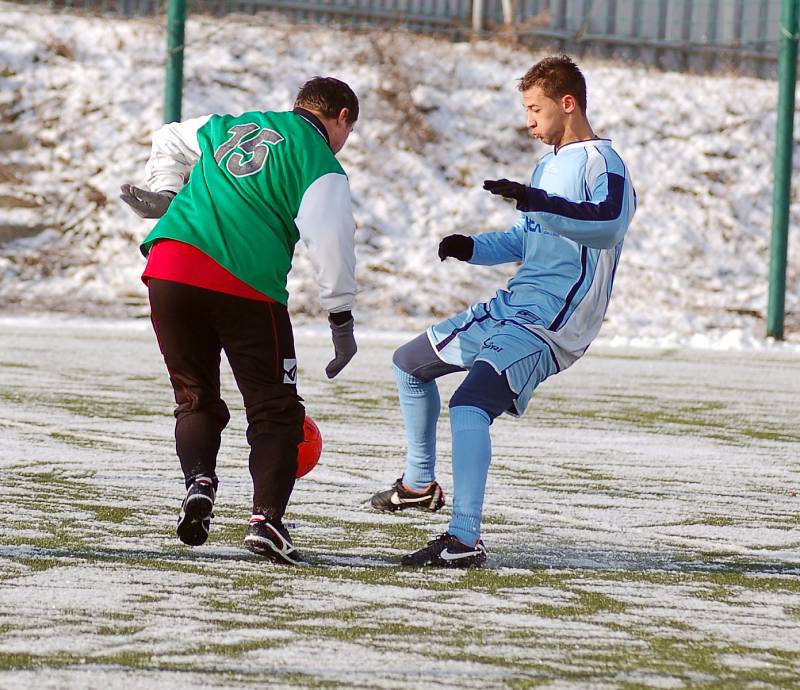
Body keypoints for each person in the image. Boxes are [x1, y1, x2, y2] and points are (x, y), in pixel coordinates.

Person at [370, 55, 636, 568]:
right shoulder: (547, 165)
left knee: (470, 406)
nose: (529, 121)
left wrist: (536, 201)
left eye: (535, 109)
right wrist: (473, 247)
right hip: (512, 306)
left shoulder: (604, 163)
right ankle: (419, 484)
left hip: (552, 322)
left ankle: (465, 538)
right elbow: (530, 237)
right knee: (409, 363)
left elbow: (607, 226)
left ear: (568, 103)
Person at [120, 76, 359, 565]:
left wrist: (167, 192)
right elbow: (330, 244)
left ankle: (199, 483)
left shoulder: (232, 124)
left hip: (169, 265)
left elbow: (168, 137)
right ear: (341, 119)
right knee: (276, 409)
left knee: (194, 396)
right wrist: (340, 318)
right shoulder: (321, 162)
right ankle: (267, 522)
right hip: (244, 282)